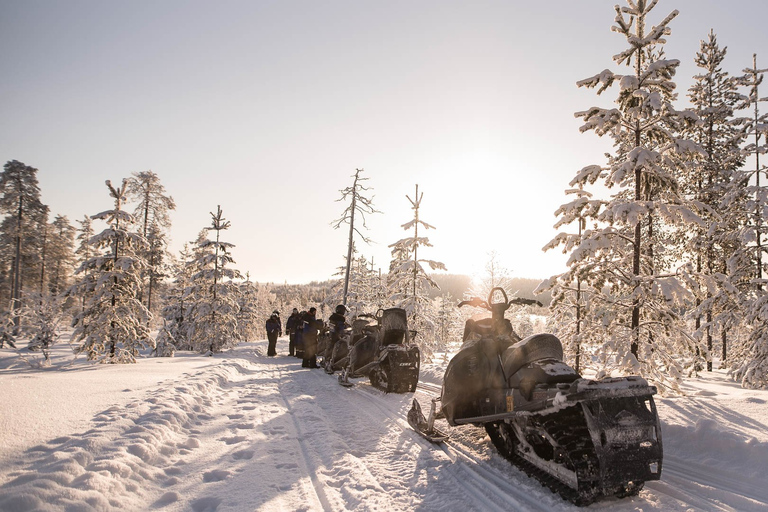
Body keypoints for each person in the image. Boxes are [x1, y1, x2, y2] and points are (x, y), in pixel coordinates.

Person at [326, 304, 349, 369]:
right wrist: (345, 328)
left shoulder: (333, 317)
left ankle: (329, 360)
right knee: (340, 348)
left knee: (332, 348)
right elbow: (340, 327)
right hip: (337, 336)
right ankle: (334, 362)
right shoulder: (340, 318)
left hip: (332, 335)